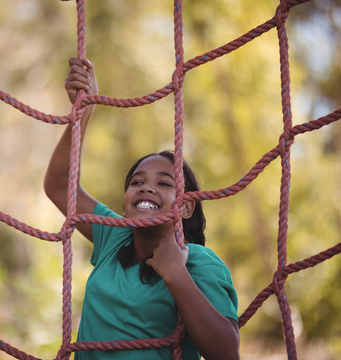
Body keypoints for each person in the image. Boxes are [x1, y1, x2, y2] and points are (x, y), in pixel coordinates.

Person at [44, 58, 240, 360]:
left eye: (164, 183)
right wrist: (84, 111)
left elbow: (226, 353)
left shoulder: (198, 262)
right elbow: (59, 186)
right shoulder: (113, 238)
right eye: (136, 182)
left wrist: (175, 273)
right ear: (126, 202)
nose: (146, 188)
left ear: (186, 207)